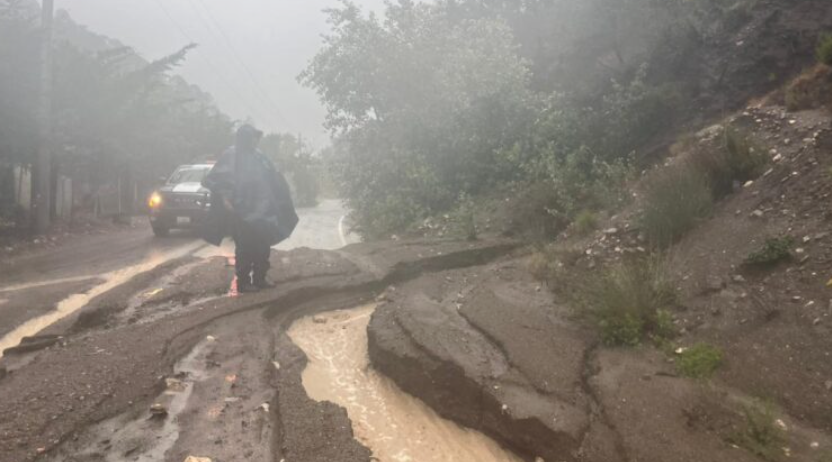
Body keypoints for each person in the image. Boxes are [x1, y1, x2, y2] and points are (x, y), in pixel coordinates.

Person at [202, 124, 299, 293]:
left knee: (262, 245)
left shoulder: (259, 156)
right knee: (245, 247)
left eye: (257, 137)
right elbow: (219, 178)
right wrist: (226, 199)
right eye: (253, 137)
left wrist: (279, 198)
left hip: (263, 210)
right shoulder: (232, 155)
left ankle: (260, 278)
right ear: (244, 138)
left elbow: (273, 177)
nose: (255, 140)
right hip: (241, 210)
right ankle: (244, 282)